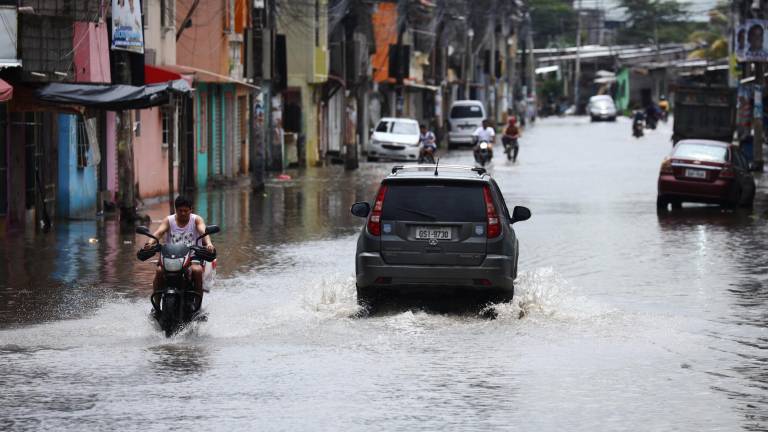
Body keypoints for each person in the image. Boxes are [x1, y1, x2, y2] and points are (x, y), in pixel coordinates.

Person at [144, 196, 215, 305]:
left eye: (185, 211)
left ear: (191, 210)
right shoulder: (169, 220)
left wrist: (209, 244)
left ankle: (197, 305)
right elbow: (159, 232)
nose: (182, 213)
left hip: (192, 255)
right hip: (170, 256)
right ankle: (156, 305)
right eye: (180, 210)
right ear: (175, 209)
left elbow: (203, 231)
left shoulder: (196, 219)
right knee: (159, 271)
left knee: (197, 271)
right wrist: (150, 243)